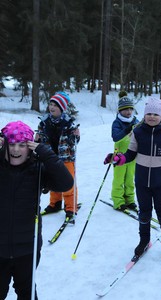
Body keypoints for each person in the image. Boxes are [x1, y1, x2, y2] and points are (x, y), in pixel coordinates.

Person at [104, 96, 161, 258]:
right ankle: (144, 241)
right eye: (149, 113)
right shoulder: (138, 132)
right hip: (142, 181)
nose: (152, 117)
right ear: (144, 115)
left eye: (155, 114)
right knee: (144, 212)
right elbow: (130, 154)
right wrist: (119, 158)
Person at [0, 121, 73, 300]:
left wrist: (45, 153)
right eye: (12, 144)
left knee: (26, 292)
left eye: (22, 145)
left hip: (27, 248)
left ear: (30, 147)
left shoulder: (37, 170)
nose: (16, 150)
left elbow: (66, 183)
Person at [35, 91, 80, 220]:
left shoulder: (69, 123)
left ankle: (70, 207)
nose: (52, 107)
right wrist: (37, 139)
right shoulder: (44, 122)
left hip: (66, 157)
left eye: (55, 105)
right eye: (50, 104)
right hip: (50, 157)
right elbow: (40, 140)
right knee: (52, 181)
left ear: (61, 108)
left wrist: (76, 136)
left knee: (68, 182)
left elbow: (73, 142)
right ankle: (55, 204)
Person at [110, 92, 139, 211]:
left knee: (130, 179)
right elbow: (115, 137)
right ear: (120, 110)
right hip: (119, 156)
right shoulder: (117, 122)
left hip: (132, 155)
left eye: (130, 109)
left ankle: (130, 200)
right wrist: (127, 130)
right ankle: (118, 200)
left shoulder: (135, 121)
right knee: (119, 179)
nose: (128, 112)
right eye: (126, 109)